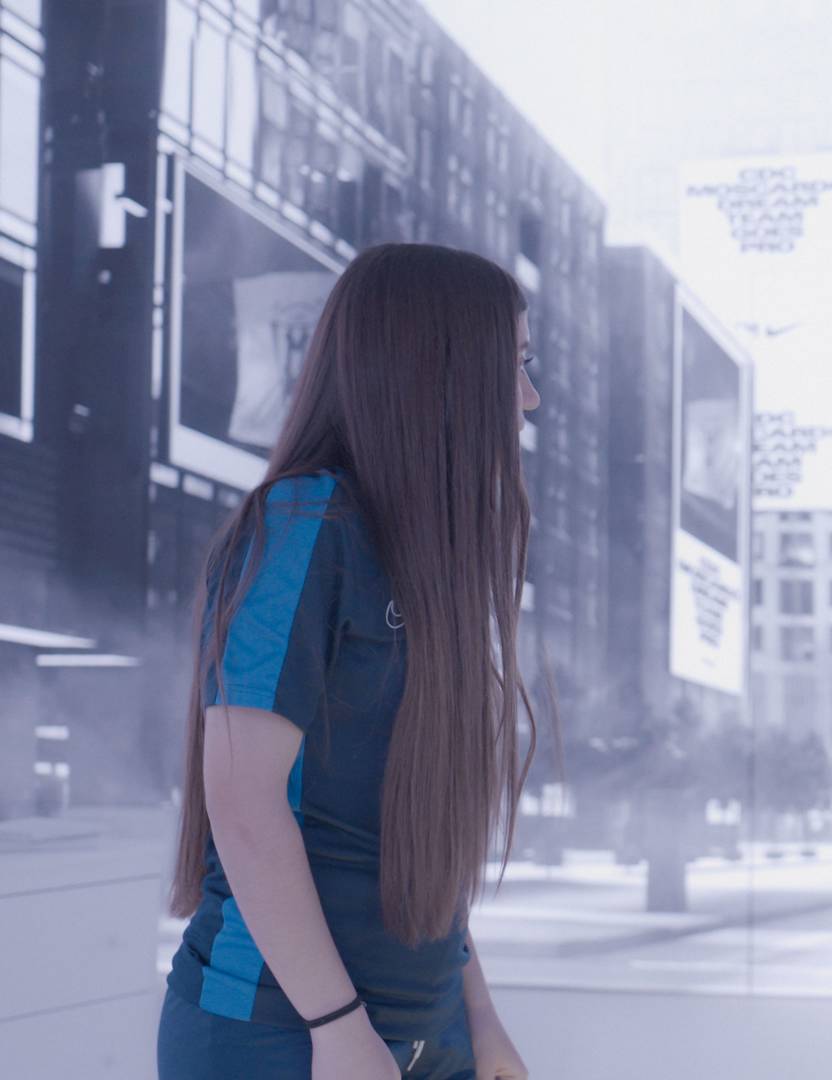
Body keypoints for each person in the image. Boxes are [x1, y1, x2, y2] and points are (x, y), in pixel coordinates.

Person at [158, 244, 540, 1080]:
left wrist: (479, 1019)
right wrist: (335, 1027)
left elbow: (417, 833)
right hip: (282, 1032)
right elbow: (244, 800)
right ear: (438, 371)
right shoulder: (305, 526)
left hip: (417, 1029)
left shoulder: (420, 556)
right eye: (513, 365)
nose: (528, 397)